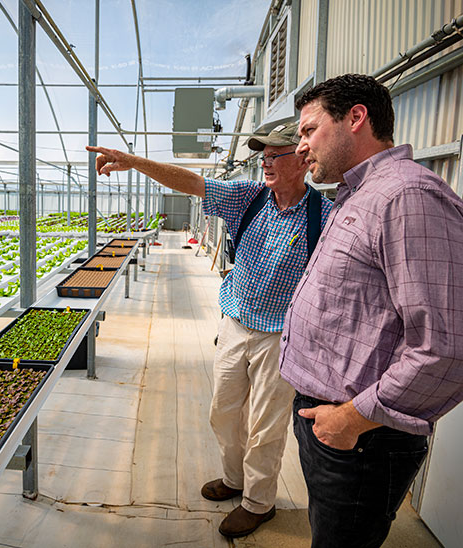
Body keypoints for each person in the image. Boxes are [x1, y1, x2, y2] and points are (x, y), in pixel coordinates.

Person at [87, 122, 332, 538]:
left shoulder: (324, 217)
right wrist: (134, 162)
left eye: (276, 155)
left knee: (265, 423)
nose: (266, 162)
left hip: (282, 335)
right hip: (236, 323)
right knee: (223, 410)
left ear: (303, 159)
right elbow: (194, 183)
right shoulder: (249, 198)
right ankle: (234, 479)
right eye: (263, 156)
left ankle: (258, 502)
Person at [281, 73, 463, 547]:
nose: (300, 147)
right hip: (333, 426)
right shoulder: (358, 194)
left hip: (362, 437)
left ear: (356, 117)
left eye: (308, 130)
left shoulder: (407, 196)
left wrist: (352, 419)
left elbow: (445, 347)